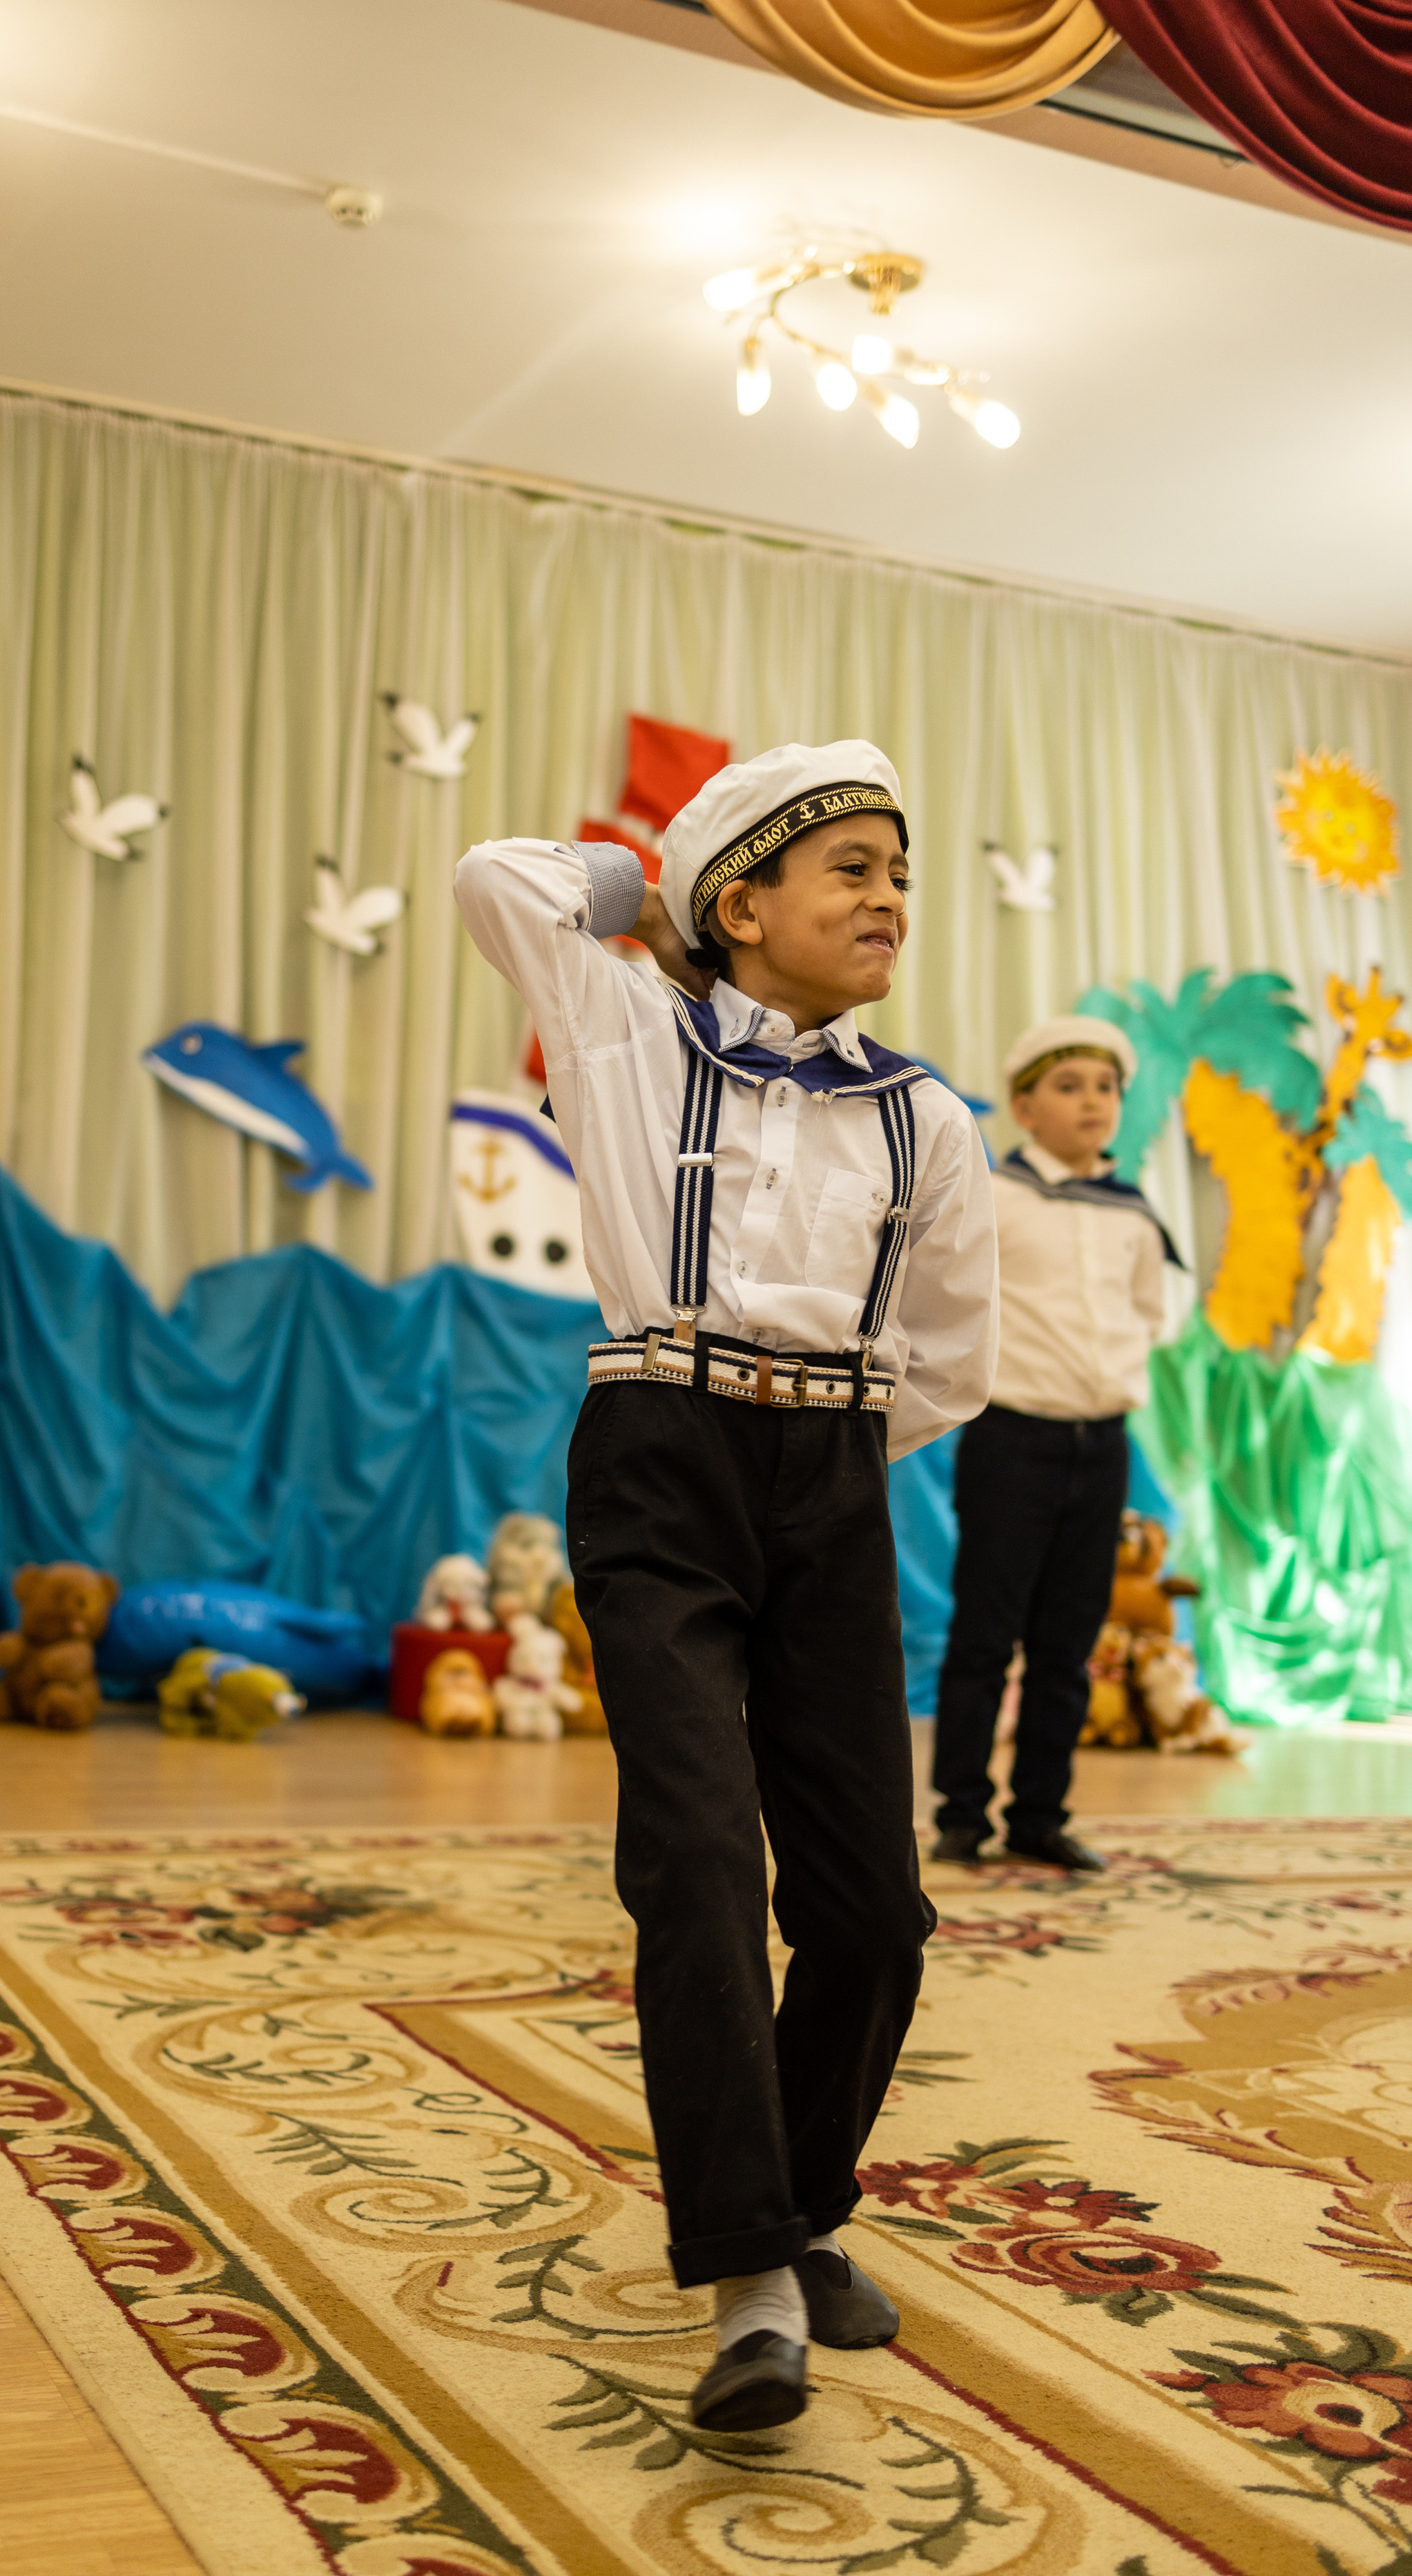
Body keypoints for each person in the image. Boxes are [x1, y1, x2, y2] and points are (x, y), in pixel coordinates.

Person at [455, 743, 997, 2434]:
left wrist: (814, 1442)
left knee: (870, 1915)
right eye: (844, 865)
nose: (885, 897)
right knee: (693, 1859)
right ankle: (751, 2277)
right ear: (740, 902)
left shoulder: (925, 1118)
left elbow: (949, 1360)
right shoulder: (623, 1033)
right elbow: (499, 880)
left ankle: (807, 2197)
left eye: (898, 871)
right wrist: (664, 909)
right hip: (658, 1464)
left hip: (830, 1484)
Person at [930, 1017, 1182, 1873]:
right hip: (1011, 1441)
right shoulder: (993, 1198)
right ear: (1024, 1108)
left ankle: (1040, 1813)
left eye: (1104, 1087)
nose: (1091, 1102)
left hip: (1100, 1447)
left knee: (1068, 1646)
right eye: (1067, 1086)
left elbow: (1149, 1315)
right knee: (984, 1635)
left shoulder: (1134, 1214)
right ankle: (961, 1812)